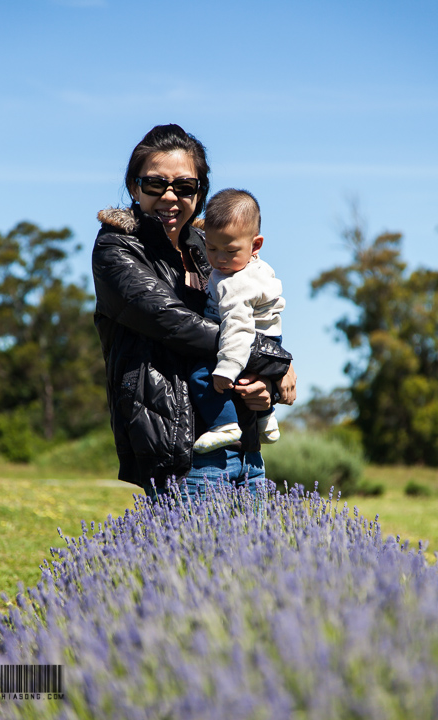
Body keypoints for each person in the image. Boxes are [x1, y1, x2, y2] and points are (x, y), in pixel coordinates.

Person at [92, 124, 297, 502]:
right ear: (135, 187)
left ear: (199, 193)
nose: (170, 196)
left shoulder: (212, 248)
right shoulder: (116, 250)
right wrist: (275, 360)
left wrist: (263, 383)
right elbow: (175, 324)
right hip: (182, 455)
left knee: (252, 562)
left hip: (245, 447)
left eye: (184, 187)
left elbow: (254, 314)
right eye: (155, 184)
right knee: (189, 561)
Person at [190, 188, 286, 454]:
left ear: (255, 245)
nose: (220, 259)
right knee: (253, 381)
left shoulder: (235, 284)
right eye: (211, 248)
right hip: (270, 339)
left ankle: (225, 425)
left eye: (230, 251)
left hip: (245, 340)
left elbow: (238, 327)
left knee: (201, 376)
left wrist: (227, 368)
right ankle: (267, 419)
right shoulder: (259, 268)